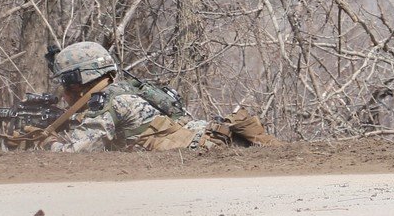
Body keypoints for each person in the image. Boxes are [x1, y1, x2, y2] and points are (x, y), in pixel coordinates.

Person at [41, 41, 282, 152]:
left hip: (204, 146)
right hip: (209, 135)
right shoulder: (128, 88)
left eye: (66, 84)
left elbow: (79, 152)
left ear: (78, 82)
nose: (63, 93)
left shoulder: (107, 102)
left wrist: (50, 143)